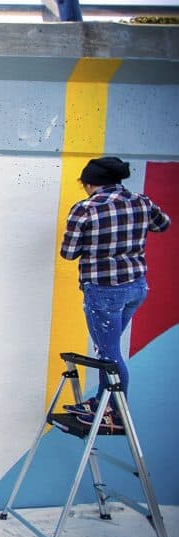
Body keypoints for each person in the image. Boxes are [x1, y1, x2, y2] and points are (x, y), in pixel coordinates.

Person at [60, 156, 171, 429]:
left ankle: (116, 412)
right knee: (106, 349)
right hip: (136, 287)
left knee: (109, 354)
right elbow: (163, 224)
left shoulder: (85, 209)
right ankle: (102, 401)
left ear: (89, 184)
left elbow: (69, 253)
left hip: (104, 291)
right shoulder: (141, 201)